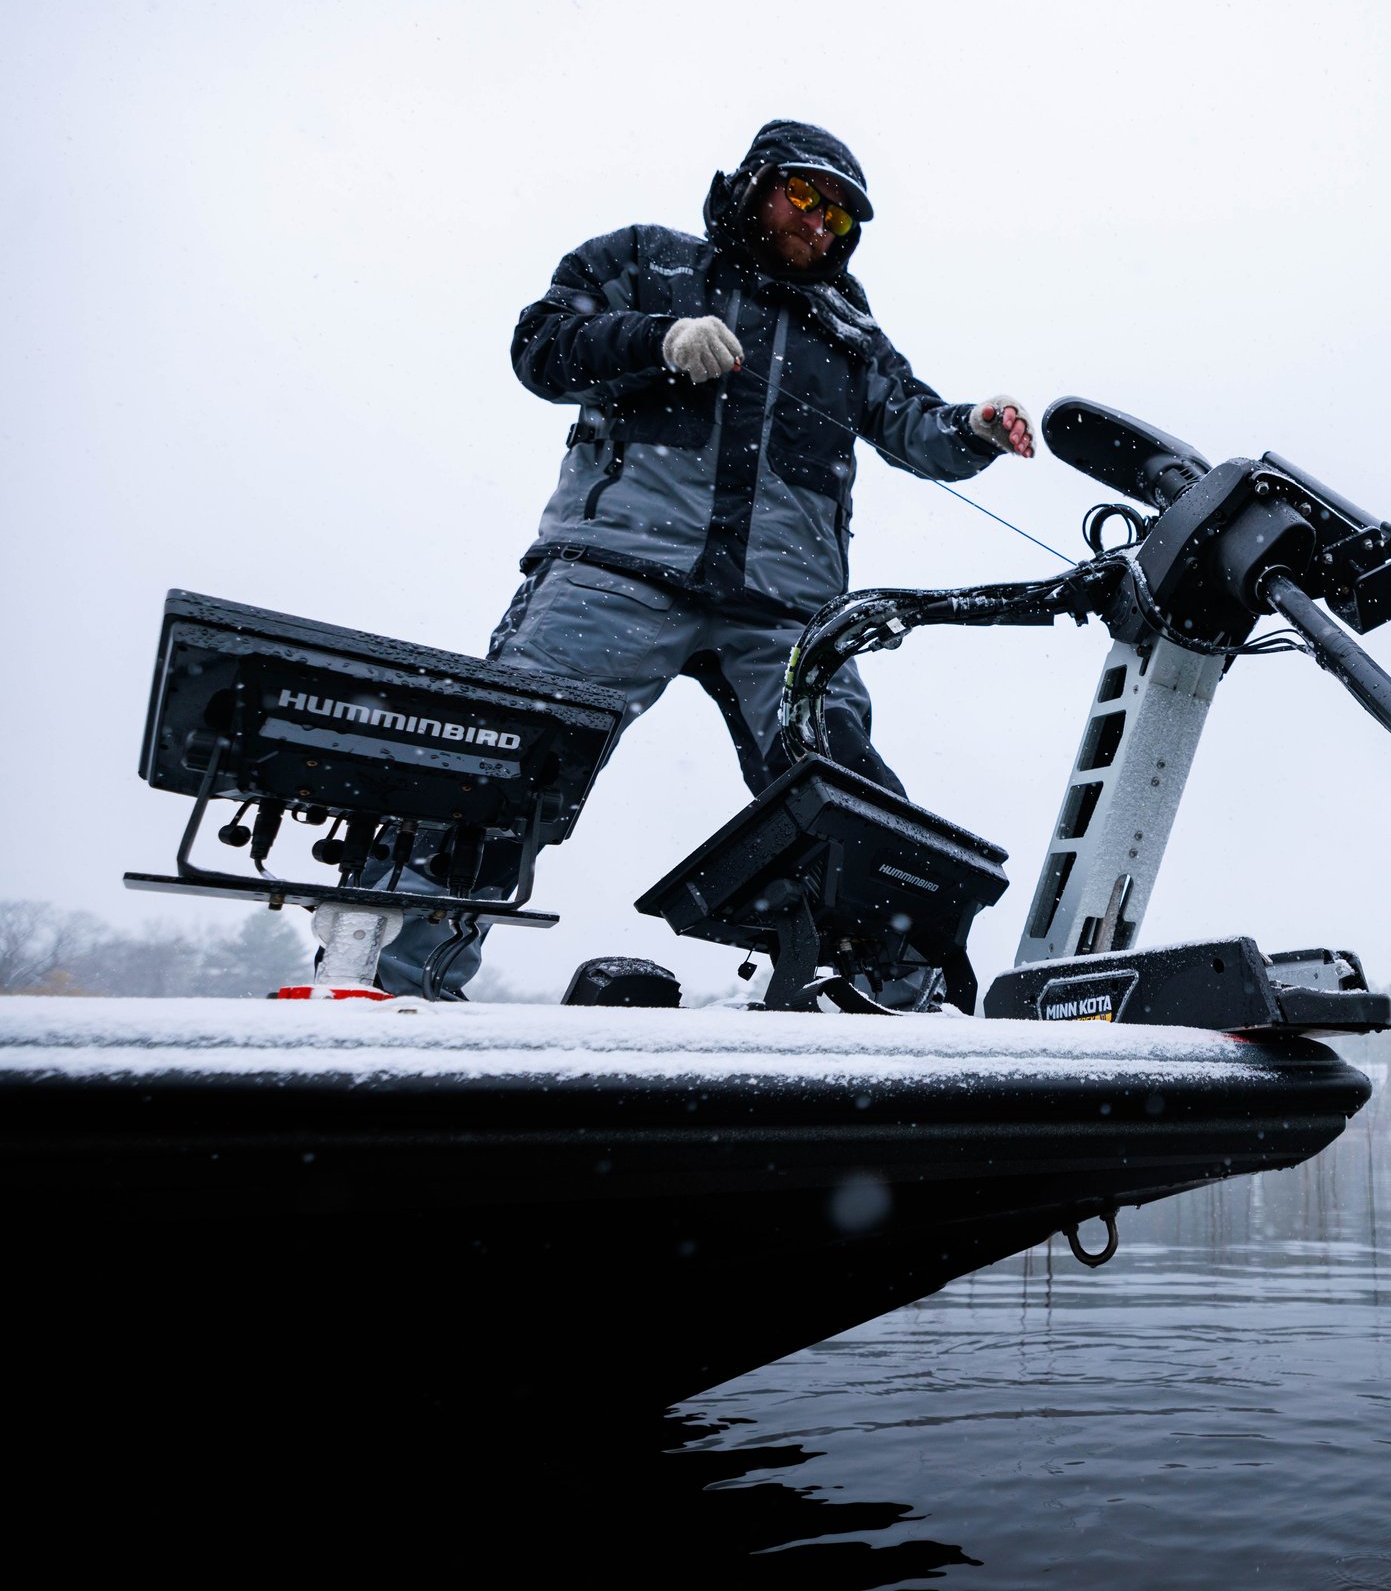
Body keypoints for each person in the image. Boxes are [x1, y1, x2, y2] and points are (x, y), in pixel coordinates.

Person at [372, 119, 1033, 997]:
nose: (820, 226)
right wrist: (656, 340)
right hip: (616, 573)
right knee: (512, 762)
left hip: (786, 613)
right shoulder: (646, 257)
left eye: (840, 219)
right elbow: (541, 347)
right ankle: (391, 980)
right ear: (756, 183)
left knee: (850, 798)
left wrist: (973, 428)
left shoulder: (847, 323)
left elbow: (914, 425)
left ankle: (893, 1005)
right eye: (806, 197)